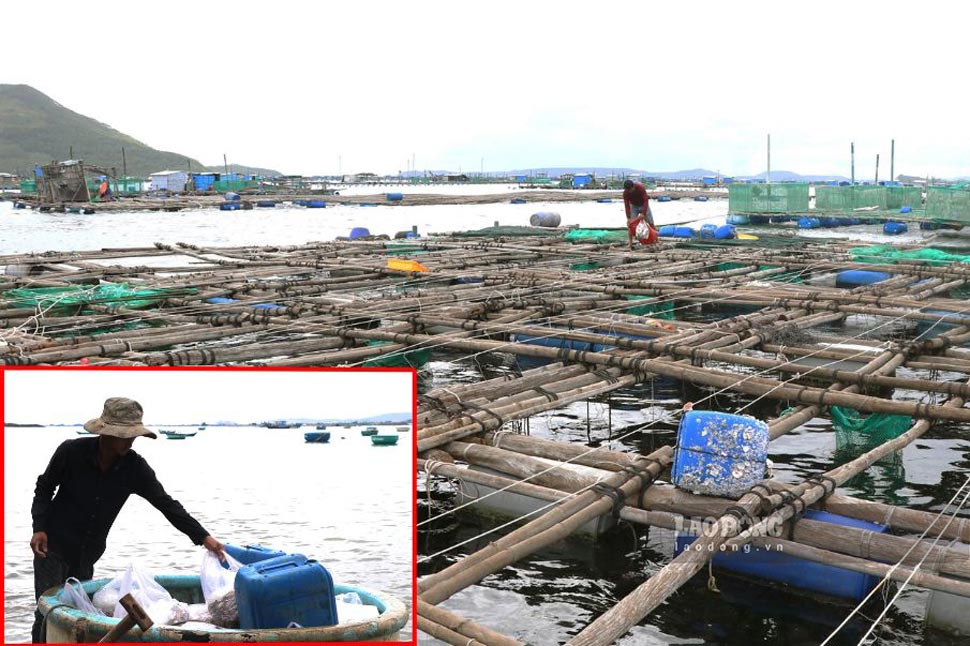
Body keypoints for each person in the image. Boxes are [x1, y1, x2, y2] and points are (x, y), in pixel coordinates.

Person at [30, 397, 224, 642]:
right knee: (46, 612)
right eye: (124, 436)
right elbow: (44, 487)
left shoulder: (135, 468)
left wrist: (204, 537)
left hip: (88, 552)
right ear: (106, 433)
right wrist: (39, 528)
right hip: (52, 545)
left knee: (79, 611)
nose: (130, 441)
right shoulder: (71, 452)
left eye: (133, 436)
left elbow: (167, 504)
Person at [622, 179, 655, 249]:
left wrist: (643, 213)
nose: (629, 191)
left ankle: (655, 240)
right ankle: (630, 243)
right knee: (630, 225)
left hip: (643, 204)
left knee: (651, 223)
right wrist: (628, 218)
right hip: (634, 206)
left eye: (630, 190)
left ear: (633, 187)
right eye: (628, 190)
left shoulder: (640, 187)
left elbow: (646, 200)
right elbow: (626, 205)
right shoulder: (625, 193)